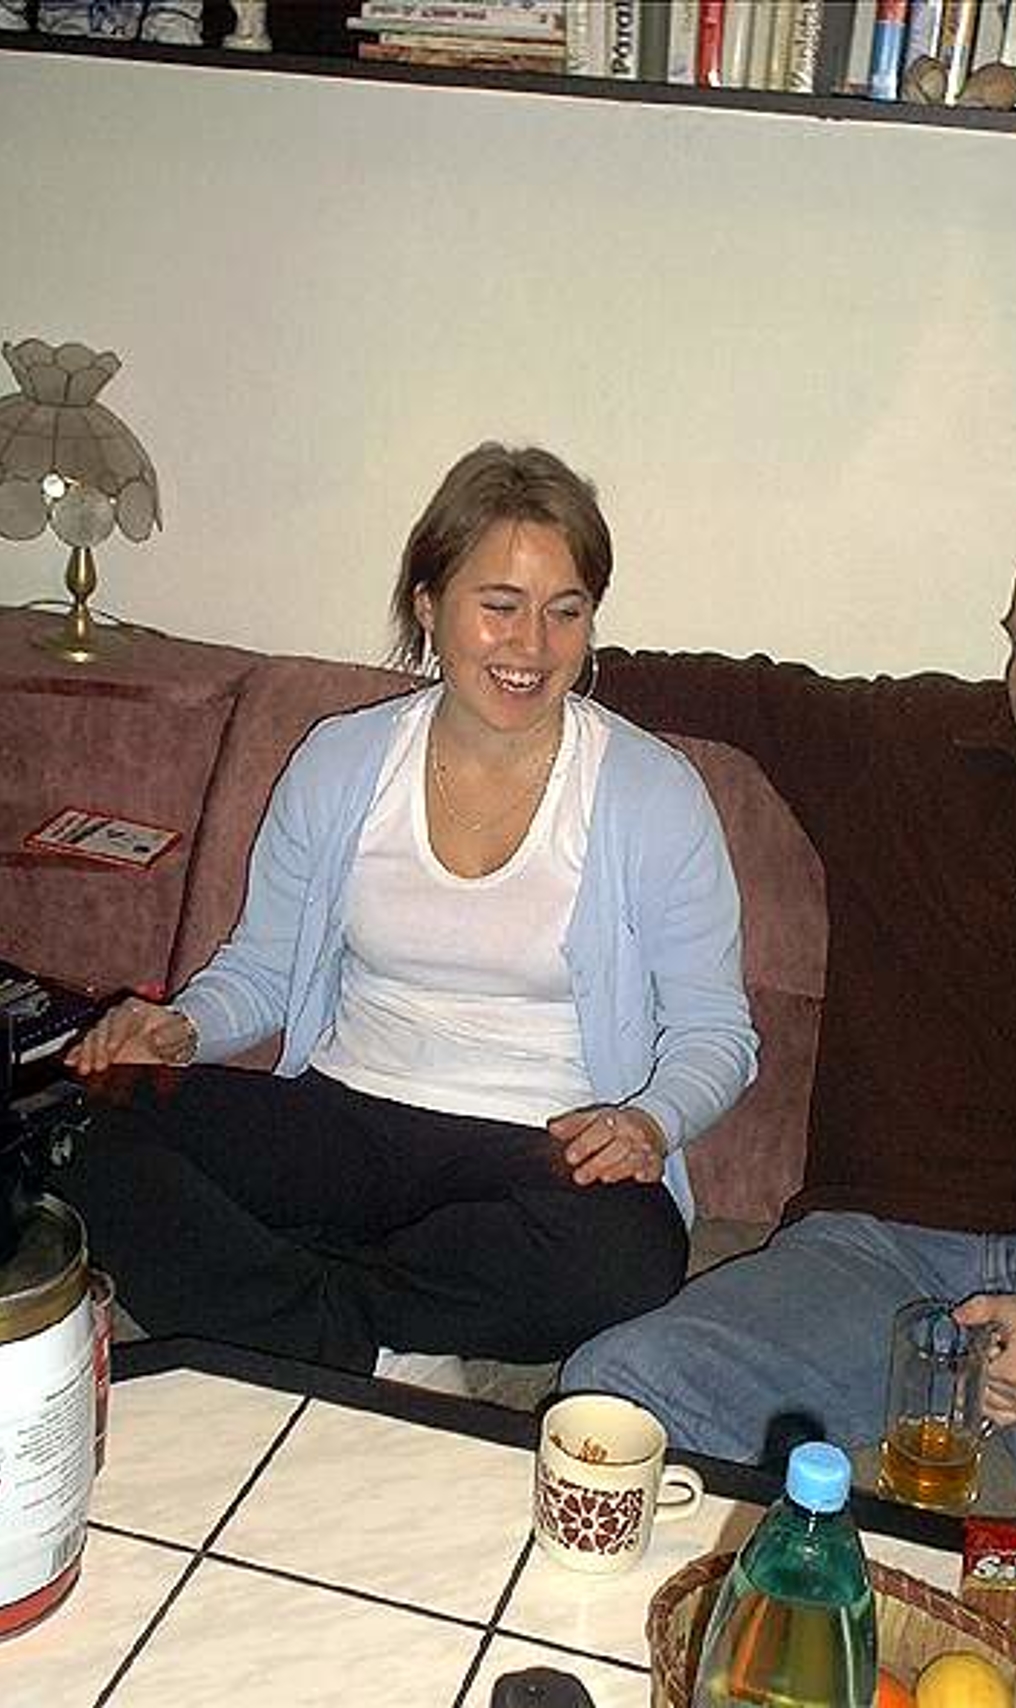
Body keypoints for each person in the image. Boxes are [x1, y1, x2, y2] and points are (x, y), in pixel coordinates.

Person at [55, 443, 758, 1380]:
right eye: (499, 606)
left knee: (628, 1258)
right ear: (429, 606)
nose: (532, 646)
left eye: (565, 611)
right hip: (343, 1117)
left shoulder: (651, 793)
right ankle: (376, 1332)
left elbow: (716, 1031)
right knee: (76, 1133)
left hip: (541, 1149)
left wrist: (650, 1122)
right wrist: (180, 1028)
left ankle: (299, 1318)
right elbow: (262, 970)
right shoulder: (341, 760)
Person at [563, 519, 1016, 1538]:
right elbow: (749, 698)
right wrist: (546, 663)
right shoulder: (923, 749)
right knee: (616, 1395)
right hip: (873, 1249)